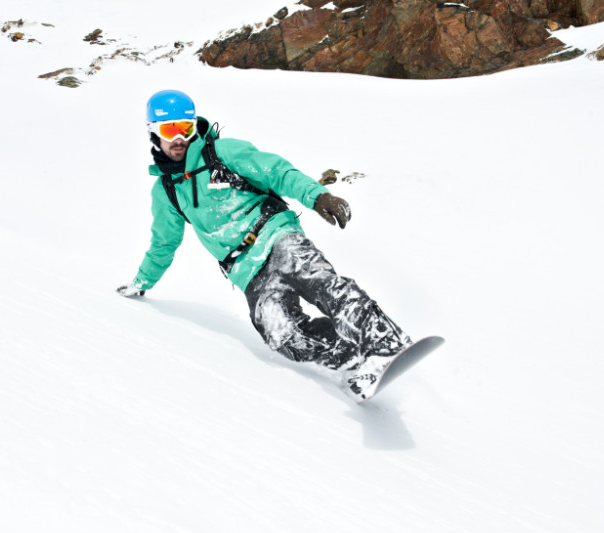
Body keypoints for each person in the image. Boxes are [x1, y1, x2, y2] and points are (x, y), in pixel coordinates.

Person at [116, 90, 411, 399]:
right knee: (280, 332)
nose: (178, 138)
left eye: (184, 128)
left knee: (320, 282)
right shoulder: (166, 192)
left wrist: (317, 195)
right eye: (169, 130)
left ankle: (385, 341)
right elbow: (164, 243)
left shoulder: (223, 153)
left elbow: (276, 171)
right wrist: (142, 282)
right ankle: (351, 360)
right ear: (153, 133)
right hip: (245, 269)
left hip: (275, 235)